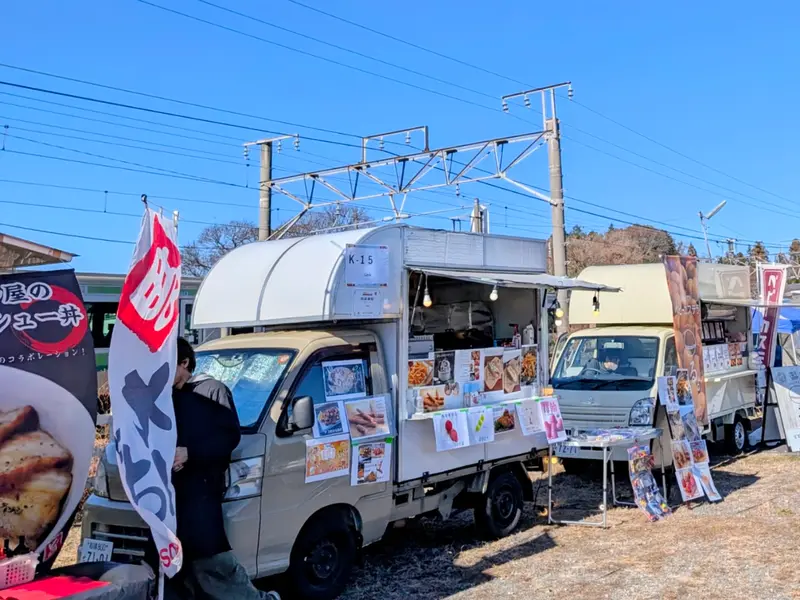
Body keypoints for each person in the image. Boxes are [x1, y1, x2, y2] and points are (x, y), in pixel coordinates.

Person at [167, 338, 279, 600]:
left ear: (184, 363)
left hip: (202, 489)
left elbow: (230, 438)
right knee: (180, 562)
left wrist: (190, 453)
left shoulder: (213, 390)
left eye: (167, 365)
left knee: (212, 559)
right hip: (173, 492)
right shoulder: (167, 396)